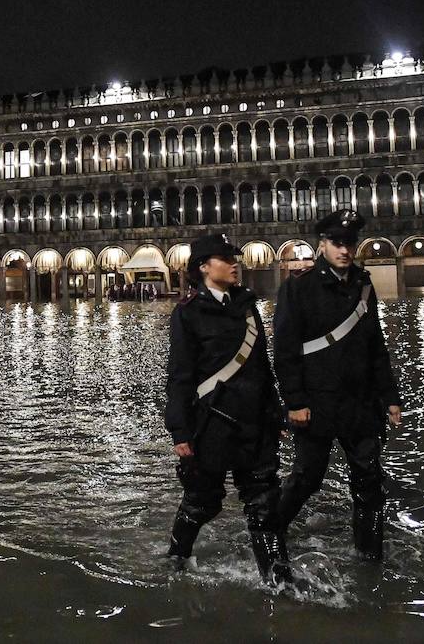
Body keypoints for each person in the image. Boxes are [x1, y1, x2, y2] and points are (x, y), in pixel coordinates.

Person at [273, 209, 404, 561]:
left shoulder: (364, 286)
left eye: (349, 243)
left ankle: (369, 557)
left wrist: (389, 396)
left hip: (361, 404)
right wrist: (294, 402)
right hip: (317, 404)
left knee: (369, 482)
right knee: (307, 477)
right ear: (323, 244)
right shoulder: (298, 288)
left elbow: (375, 345)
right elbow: (285, 351)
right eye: (337, 243)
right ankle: (270, 534)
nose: (344, 250)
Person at [164, 233, 291, 586]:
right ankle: (176, 560)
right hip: (213, 424)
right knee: (202, 502)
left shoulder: (248, 308)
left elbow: (262, 367)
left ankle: (278, 583)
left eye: (234, 258)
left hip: (255, 423)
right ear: (204, 267)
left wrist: (275, 411)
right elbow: (180, 376)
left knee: (264, 506)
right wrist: (180, 431)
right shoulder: (187, 315)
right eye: (224, 258)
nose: (234, 263)